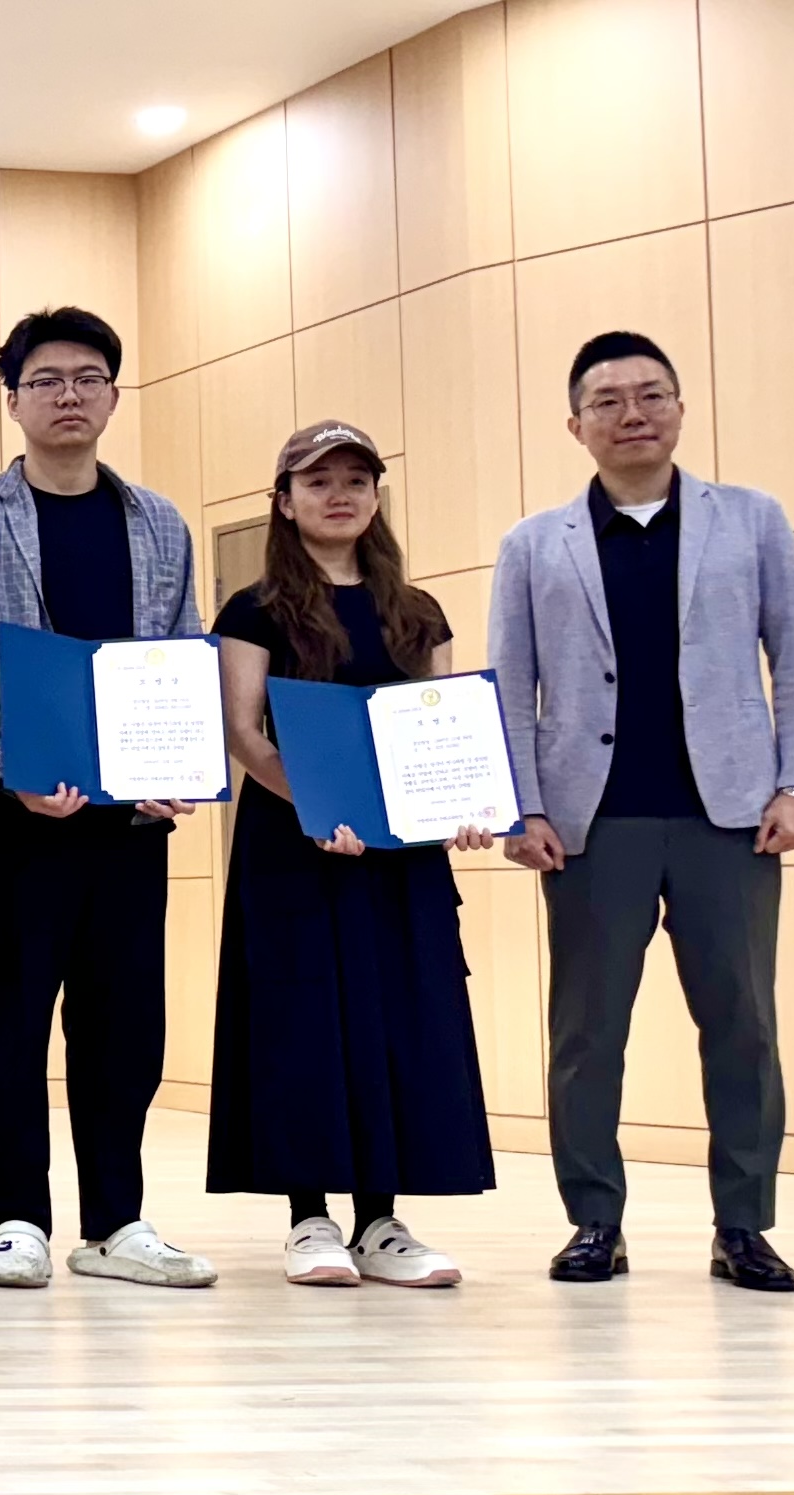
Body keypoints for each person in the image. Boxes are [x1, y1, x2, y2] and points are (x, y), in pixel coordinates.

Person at [491, 331, 794, 1294]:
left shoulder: (752, 520)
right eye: (608, 401)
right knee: (587, 1033)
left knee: (743, 1027)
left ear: (680, 408)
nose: (632, 414)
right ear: (576, 425)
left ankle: (744, 1226)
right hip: (591, 825)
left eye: (651, 395)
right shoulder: (533, 544)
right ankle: (594, 1221)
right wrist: (521, 808)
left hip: (732, 818)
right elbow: (511, 686)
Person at [0, 306, 218, 1291]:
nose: (68, 396)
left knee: (123, 1026)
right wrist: (3, 772)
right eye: (45, 380)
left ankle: (115, 1220)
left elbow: (179, 648)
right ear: (12, 400)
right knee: (13, 1023)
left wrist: (174, 765)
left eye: (88, 378)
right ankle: (17, 1219)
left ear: (114, 396)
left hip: (127, 824)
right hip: (15, 825)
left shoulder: (159, 520)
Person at [208, 420, 495, 1288]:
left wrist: (459, 810)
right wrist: (319, 804)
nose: (340, 495)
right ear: (284, 501)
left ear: (376, 497)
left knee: (397, 1019)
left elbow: (442, 729)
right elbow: (243, 732)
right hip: (297, 845)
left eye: (357, 481)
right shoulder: (254, 608)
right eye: (318, 481)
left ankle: (381, 1222)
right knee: (301, 1023)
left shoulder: (419, 611)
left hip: (400, 854)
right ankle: (309, 1219)